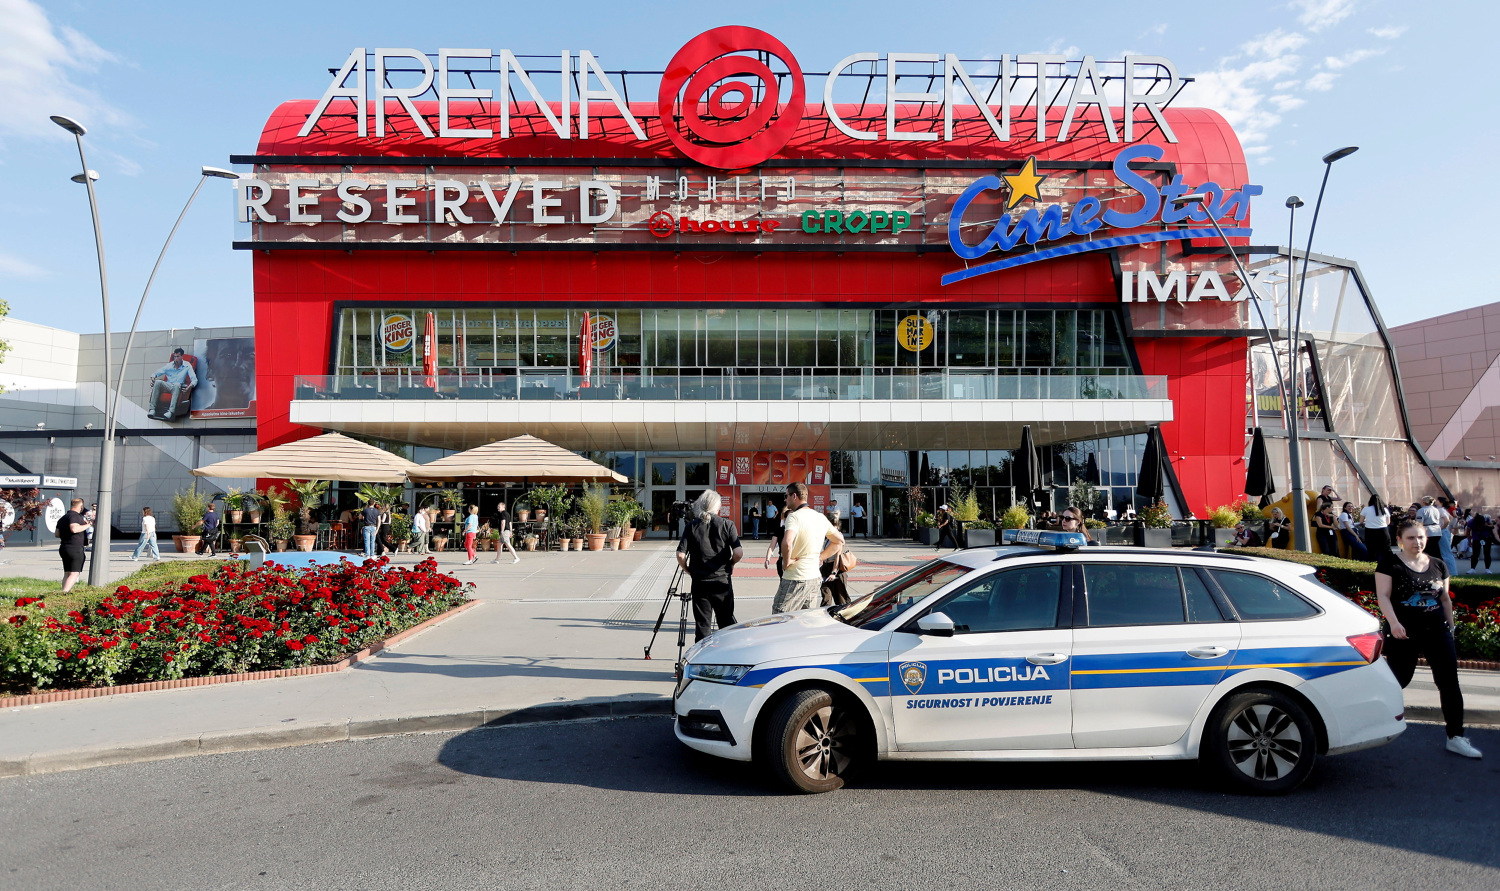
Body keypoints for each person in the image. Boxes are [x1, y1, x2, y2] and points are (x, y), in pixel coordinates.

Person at [1375, 519, 1483, 759]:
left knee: (1449, 683)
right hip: (1404, 633)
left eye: (1421, 537)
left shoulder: (1438, 564)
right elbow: (1383, 596)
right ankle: (1369, 725)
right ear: (1400, 540)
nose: (1418, 542)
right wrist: (1394, 623)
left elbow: (1445, 599)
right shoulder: (1389, 564)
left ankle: (1456, 736)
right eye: (1411, 538)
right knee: (1397, 680)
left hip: (1437, 631)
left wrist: (1451, 628)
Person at [676, 490, 743, 641]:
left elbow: (680, 554)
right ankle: (727, 657)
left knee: (702, 626)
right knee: (726, 623)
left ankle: (702, 660)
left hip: (700, 582)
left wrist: (688, 569)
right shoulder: (727, 524)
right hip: (722, 581)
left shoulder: (692, 526)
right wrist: (731, 563)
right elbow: (738, 552)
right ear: (717, 507)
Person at [773, 482, 845, 613]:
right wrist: (821, 557)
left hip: (795, 577)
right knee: (805, 620)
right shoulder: (820, 517)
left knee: (780, 617)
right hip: (814, 577)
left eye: (786, 495)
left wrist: (786, 561)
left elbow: (787, 542)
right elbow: (839, 541)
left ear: (794, 496)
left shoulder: (794, 517)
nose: (785, 499)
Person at [147, 347, 198, 420]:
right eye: (175, 356)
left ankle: (171, 412)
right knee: (158, 382)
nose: (176, 359)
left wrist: (189, 387)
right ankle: (152, 410)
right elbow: (158, 372)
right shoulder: (169, 365)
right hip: (168, 385)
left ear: (182, 357)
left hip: (177, 387)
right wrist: (153, 377)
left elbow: (194, 380)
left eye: (178, 356)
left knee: (177, 385)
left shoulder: (187, 365)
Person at [57, 498, 91, 592]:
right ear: (81, 507)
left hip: (64, 547)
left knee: (67, 573)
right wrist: (89, 525)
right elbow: (74, 529)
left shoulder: (63, 517)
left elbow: (57, 534)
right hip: (75, 548)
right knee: (74, 574)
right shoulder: (75, 516)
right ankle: (64, 593)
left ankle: (63, 591)